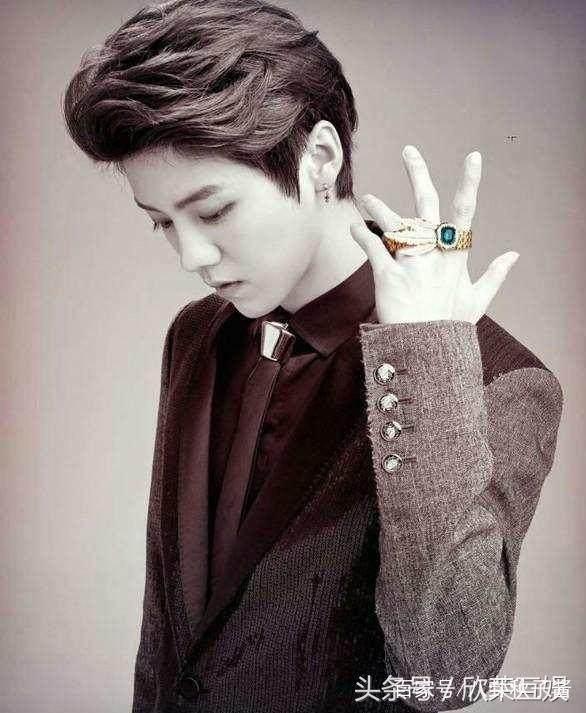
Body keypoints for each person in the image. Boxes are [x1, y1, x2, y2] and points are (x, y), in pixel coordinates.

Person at [62, 0, 563, 711]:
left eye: (213, 211)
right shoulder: (197, 335)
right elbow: (175, 634)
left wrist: (427, 360)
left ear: (320, 158)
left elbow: (448, 670)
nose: (190, 255)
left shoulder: (497, 376)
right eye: (161, 223)